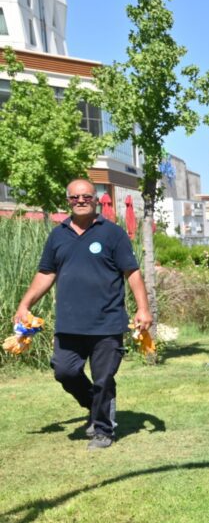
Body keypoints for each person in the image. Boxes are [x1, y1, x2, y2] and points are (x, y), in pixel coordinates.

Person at [13, 179, 152, 450]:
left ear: (95, 199)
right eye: (75, 197)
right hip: (69, 324)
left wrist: (143, 307)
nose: (80, 201)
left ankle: (103, 431)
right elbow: (46, 273)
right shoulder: (58, 235)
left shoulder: (112, 234)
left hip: (107, 323)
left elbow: (132, 272)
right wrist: (24, 304)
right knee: (64, 371)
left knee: (103, 379)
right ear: (68, 201)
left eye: (86, 196)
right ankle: (93, 405)